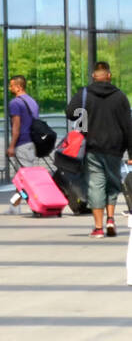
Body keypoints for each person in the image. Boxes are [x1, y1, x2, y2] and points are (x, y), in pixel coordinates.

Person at [65, 61, 132, 238]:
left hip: (92, 147)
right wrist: (131, 153)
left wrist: (85, 115)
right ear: (109, 76)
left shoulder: (84, 93)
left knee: (96, 184)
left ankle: (98, 228)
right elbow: (128, 126)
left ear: (94, 76)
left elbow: (70, 112)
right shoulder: (120, 96)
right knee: (112, 184)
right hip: (115, 148)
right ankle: (111, 219)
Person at [6, 74, 45, 169]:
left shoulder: (15, 103)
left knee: (24, 178)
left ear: (19, 87)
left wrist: (11, 146)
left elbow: (16, 126)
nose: (9, 88)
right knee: (30, 174)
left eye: (11, 86)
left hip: (22, 143)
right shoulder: (32, 101)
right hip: (32, 143)